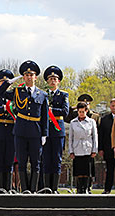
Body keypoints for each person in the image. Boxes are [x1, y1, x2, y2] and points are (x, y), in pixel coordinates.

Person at [0, 60, 48, 193]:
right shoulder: (17, 91)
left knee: (36, 162)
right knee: (22, 161)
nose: (29, 77)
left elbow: (45, 116)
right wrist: (8, 82)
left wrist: (44, 134)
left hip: (36, 131)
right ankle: (25, 190)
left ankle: (34, 190)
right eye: (26, 75)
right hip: (20, 131)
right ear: (23, 77)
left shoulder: (42, 94)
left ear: (35, 77)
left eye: (31, 75)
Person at [42, 65, 69, 193]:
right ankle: (47, 187)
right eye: (50, 79)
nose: (53, 81)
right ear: (47, 81)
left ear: (58, 81)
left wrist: (52, 110)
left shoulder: (63, 95)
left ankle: (55, 188)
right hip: (46, 129)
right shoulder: (43, 95)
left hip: (58, 128)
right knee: (46, 158)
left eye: (55, 79)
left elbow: (65, 111)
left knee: (57, 158)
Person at [69, 102, 98, 193]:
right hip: (77, 148)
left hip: (87, 148)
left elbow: (95, 136)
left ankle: (86, 187)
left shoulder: (91, 122)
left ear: (86, 111)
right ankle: (79, 188)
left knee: (87, 171)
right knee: (79, 171)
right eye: (79, 111)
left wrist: (94, 149)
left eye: (83, 111)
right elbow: (71, 138)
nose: (81, 113)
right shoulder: (73, 122)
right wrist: (71, 151)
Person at [98, 98, 115, 194]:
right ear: (110, 107)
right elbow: (101, 135)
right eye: (112, 106)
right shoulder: (104, 119)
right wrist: (100, 148)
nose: (114, 108)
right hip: (108, 149)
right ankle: (107, 189)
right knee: (109, 170)